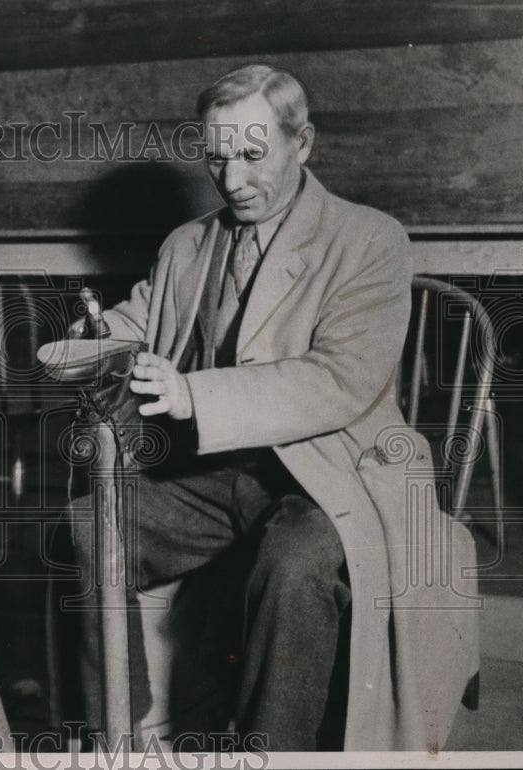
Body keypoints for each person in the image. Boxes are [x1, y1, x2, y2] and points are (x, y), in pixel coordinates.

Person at [68, 64, 480, 751]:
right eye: (217, 158)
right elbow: (140, 319)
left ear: (304, 143)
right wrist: (90, 340)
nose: (232, 181)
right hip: (217, 474)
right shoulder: (188, 244)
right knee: (87, 526)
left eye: (254, 156)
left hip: (336, 474)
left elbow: (341, 379)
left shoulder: (368, 239)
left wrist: (192, 391)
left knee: (295, 565)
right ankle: (124, 729)